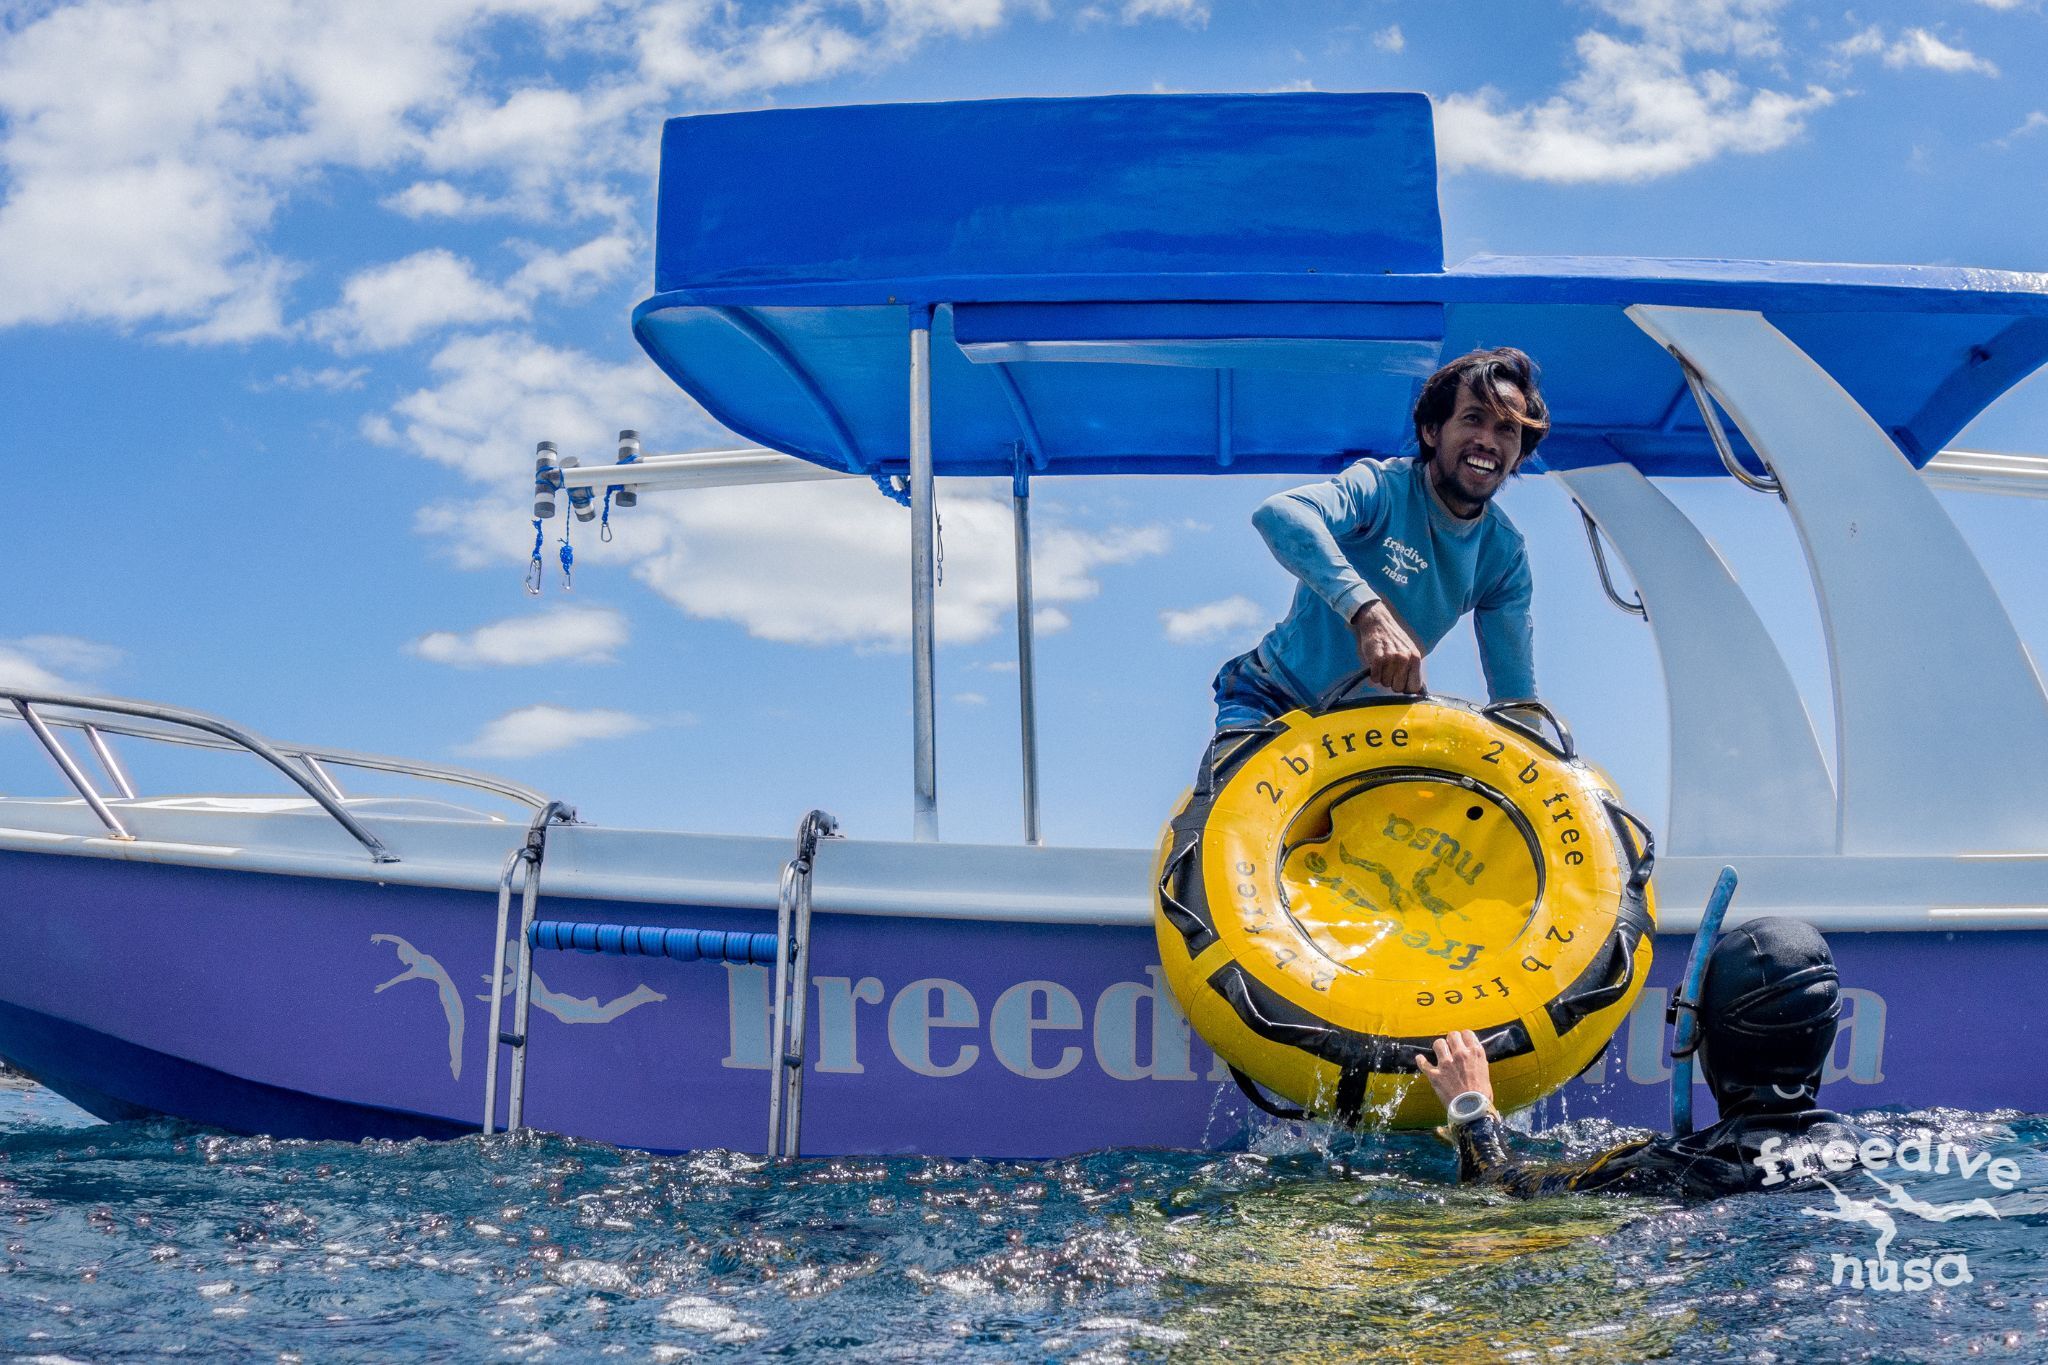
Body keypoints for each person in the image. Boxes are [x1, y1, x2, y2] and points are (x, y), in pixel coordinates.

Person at [1213, 347, 1547, 730]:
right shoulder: (1383, 487)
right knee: (1243, 788)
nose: (1488, 441)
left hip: (1371, 728)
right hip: (1273, 699)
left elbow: (1515, 701)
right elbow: (1280, 513)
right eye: (1473, 419)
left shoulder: (1504, 555)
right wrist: (1369, 614)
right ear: (1432, 430)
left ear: (1520, 454)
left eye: (1507, 429)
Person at [1415, 917, 1865, 1199]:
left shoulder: (1672, 1167)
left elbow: (1501, 1188)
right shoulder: (1885, 1149)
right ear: (1829, 1032)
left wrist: (1472, 1111)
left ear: (1698, 1033)